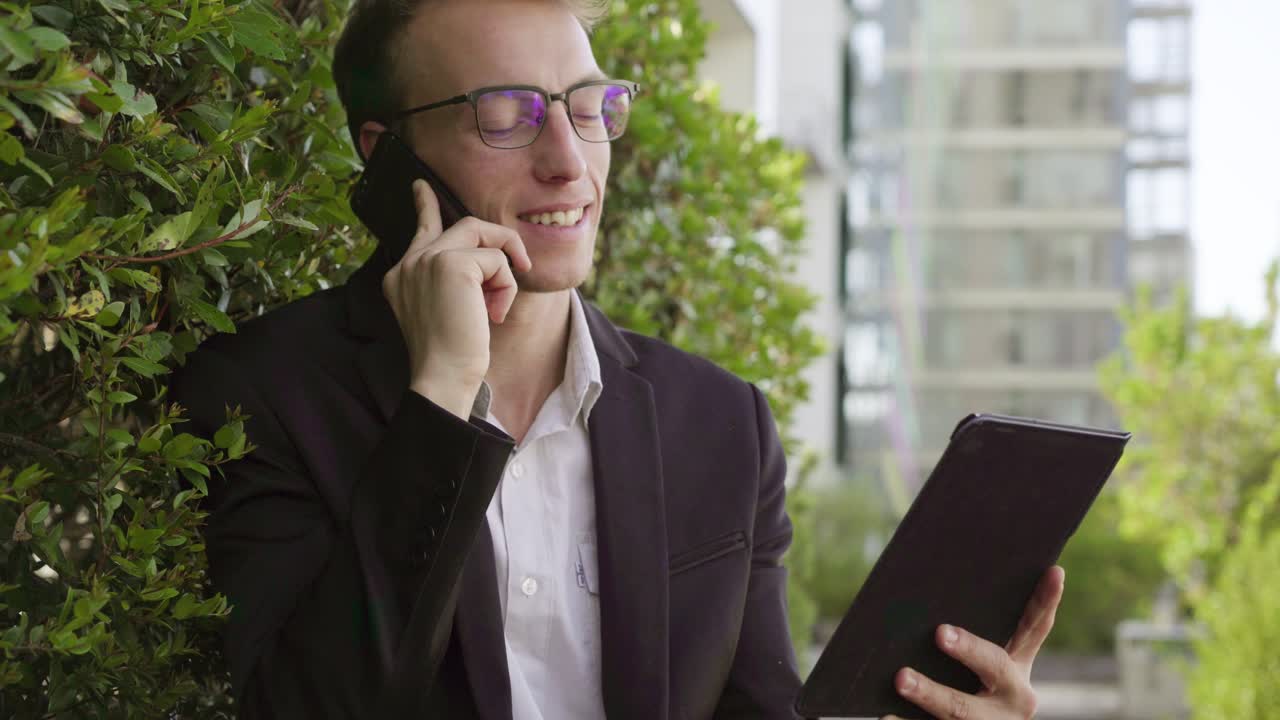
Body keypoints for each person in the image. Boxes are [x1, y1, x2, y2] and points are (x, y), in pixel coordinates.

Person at [168, 0, 1065, 718]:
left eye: (588, 107)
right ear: (385, 153)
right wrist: (441, 399)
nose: (572, 163)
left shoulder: (720, 423)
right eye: (507, 116)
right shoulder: (260, 396)